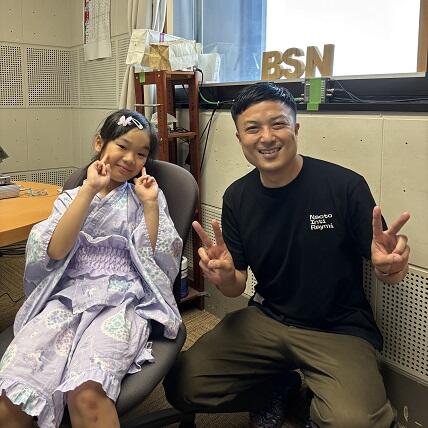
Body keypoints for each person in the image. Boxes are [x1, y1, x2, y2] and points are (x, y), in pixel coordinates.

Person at [163, 82, 411, 428]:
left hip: (337, 328)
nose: (267, 137)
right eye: (253, 128)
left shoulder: (344, 186)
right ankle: (277, 388)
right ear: (239, 138)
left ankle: (318, 404)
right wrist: (224, 277)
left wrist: (392, 267)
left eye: (278, 124)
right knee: (183, 384)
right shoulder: (237, 197)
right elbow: (236, 287)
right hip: (268, 317)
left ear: (295, 128)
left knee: (353, 421)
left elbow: (387, 265)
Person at [0, 109, 183, 428]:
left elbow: (156, 256)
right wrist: (87, 191)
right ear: (100, 143)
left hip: (122, 301)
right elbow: (55, 250)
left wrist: (151, 205)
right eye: (122, 146)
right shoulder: (71, 196)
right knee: (15, 391)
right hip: (68, 297)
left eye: (141, 154)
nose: (130, 159)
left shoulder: (145, 197)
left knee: (86, 393)